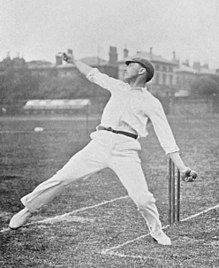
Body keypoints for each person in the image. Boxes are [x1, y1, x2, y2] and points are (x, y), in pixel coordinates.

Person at [9, 52, 197, 246]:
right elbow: (92, 73)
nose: (125, 68)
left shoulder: (152, 102)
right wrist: (73, 60)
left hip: (126, 149)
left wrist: (182, 167)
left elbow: (166, 136)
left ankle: (156, 231)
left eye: (129, 66)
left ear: (141, 71)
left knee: (142, 199)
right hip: (99, 143)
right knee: (63, 177)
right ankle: (28, 209)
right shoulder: (118, 86)